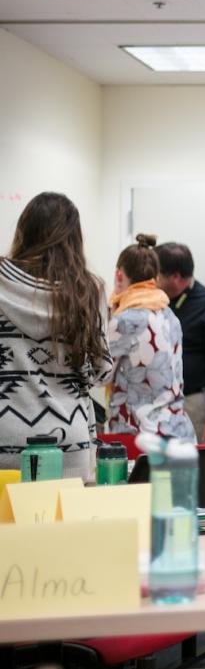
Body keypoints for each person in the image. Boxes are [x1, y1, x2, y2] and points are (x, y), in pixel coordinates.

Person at [0, 192, 111, 480]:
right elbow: (100, 372)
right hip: (68, 439)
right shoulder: (88, 290)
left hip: (4, 435)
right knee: (64, 526)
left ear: (24, 230)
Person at [106, 234, 196, 442]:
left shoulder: (126, 320)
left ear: (119, 275)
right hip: (177, 431)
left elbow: (99, 375)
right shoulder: (169, 315)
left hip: (140, 436)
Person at [155, 242, 205, 443]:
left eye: (157, 275)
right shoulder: (158, 302)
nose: (153, 281)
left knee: (193, 470)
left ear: (175, 277)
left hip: (191, 403)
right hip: (158, 404)